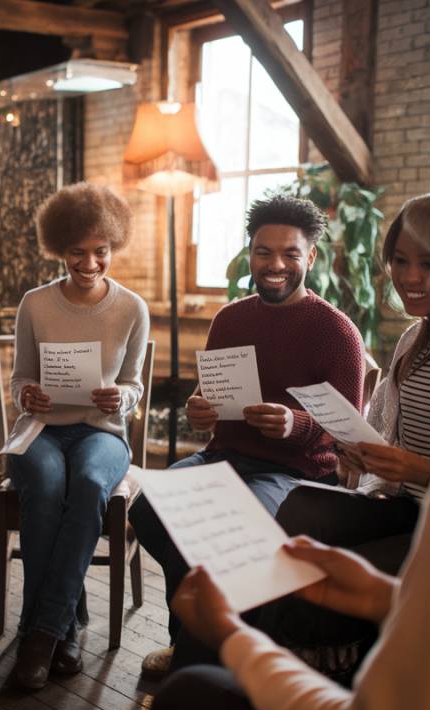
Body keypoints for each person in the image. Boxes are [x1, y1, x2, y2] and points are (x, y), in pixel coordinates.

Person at [150, 122, 430, 710]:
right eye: (405, 262)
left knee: (191, 697)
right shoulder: (428, 362)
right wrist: (388, 597)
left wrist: (227, 639)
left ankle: (226, 636)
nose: (429, 285)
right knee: (210, 511)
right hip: (359, 493)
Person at [173, 193, 430, 683]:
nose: (409, 277)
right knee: (299, 512)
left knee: (319, 570)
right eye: (400, 261)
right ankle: (244, 657)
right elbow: (378, 432)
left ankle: (279, 668)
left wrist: (423, 469)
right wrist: (358, 451)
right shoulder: (415, 341)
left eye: (429, 262)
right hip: (407, 503)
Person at [131, 195, 365, 675]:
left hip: (297, 473)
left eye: (290, 254)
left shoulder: (337, 332)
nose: (275, 264)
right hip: (225, 458)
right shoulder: (230, 319)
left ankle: (218, 654)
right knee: (150, 509)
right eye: (264, 252)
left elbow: (347, 432)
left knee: (230, 532)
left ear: (311, 257)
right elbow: (211, 397)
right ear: (250, 252)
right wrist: (200, 410)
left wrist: (295, 424)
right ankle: (199, 640)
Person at [4, 182, 149, 690]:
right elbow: (19, 377)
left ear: (114, 246)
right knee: (45, 487)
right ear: (59, 249)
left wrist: (122, 398)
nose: (89, 263)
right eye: (77, 253)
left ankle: (39, 633)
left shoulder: (132, 308)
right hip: (41, 429)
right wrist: (28, 397)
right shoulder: (35, 304)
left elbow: (134, 383)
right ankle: (62, 627)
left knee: (88, 485)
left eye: (100, 252)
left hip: (101, 433)